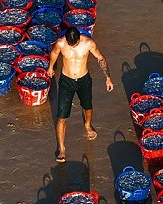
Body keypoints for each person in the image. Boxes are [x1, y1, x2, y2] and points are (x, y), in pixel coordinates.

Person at [48, 26, 114, 156]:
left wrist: (108, 78)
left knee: (87, 106)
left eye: (75, 44)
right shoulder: (61, 43)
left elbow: (100, 58)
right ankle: (62, 149)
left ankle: (88, 126)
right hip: (66, 81)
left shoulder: (88, 43)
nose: (72, 46)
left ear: (78, 39)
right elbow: (55, 53)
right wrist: (50, 67)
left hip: (84, 80)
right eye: (70, 44)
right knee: (61, 116)